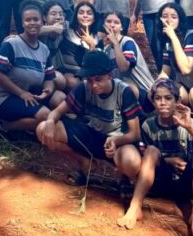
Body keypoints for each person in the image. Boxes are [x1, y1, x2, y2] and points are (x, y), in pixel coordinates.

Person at [117, 78, 193, 236]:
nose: (163, 103)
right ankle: (134, 206)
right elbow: (144, 158)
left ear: (178, 101)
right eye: (158, 98)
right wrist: (167, 160)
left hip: (186, 185)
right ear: (153, 102)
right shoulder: (148, 126)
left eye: (168, 98)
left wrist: (190, 129)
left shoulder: (191, 124)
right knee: (151, 151)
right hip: (159, 183)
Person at [37, 49, 142, 188]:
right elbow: (57, 111)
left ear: (109, 75)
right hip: (91, 134)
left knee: (131, 162)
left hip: (117, 141)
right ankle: (85, 162)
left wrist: (117, 140)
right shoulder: (84, 88)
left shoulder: (124, 92)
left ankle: (125, 177)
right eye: (90, 80)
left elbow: (135, 134)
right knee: (42, 129)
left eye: (98, 79)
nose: (94, 85)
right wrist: (50, 121)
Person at [0, 1, 55, 133]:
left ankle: (27, 127)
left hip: (29, 95)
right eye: (28, 20)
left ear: (43, 21)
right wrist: (22, 93)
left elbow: (49, 78)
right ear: (22, 23)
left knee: (57, 104)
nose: (32, 23)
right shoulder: (12, 44)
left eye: (36, 19)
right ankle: (4, 128)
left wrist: (47, 91)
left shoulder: (44, 49)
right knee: (46, 116)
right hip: (5, 97)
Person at [97, 11, 155, 109]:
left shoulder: (127, 42)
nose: (112, 25)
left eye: (116, 22)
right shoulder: (105, 49)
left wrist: (115, 44)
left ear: (122, 27)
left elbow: (124, 67)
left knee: (127, 87)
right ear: (103, 25)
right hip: (121, 94)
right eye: (108, 21)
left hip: (145, 94)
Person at [52, 0, 100, 89]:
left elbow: (94, 65)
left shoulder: (97, 37)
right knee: (75, 83)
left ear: (94, 18)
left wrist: (92, 45)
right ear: (76, 16)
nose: (85, 15)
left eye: (89, 13)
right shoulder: (67, 29)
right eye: (81, 13)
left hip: (86, 73)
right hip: (66, 71)